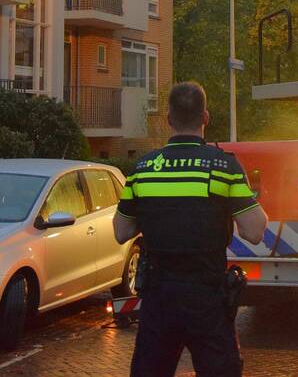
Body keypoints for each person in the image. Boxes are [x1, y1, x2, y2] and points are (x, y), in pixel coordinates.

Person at [113, 82, 268, 377]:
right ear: (205, 118)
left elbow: (121, 232)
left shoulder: (144, 169)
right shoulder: (223, 167)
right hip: (206, 298)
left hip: (159, 298)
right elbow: (254, 231)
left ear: (169, 119)